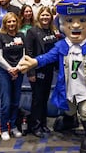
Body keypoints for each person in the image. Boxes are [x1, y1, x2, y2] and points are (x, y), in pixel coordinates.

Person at [17, 0, 86, 153]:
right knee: (69, 107)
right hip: (67, 86)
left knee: (85, 111)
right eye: (70, 21)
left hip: (85, 87)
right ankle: (70, 120)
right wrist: (34, 62)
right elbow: (48, 57)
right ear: (62, 24)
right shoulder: (61, 45)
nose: (75, 25)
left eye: (82, 20)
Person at [24, 7, 60, 137]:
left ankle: (43, 123)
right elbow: (29, 53)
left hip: (49, 69)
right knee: (37, 98)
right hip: (37, 70)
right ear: (39, 16)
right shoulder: (32, 31)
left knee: (44, 98)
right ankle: (35, 126)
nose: (45, 18)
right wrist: (31, 72)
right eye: (43, 15)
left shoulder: (52, 31)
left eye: (47, 16)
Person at [0, 12, 27, 140]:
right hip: (4, 72)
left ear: (17, 22)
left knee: (15, 101)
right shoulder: (0, 36)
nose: (11, 24)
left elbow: (24, 54)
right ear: (5, 24)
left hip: (17, 72)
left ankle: (13, 126)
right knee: (6, 102)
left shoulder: (21, 35)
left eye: (13, 21)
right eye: (9, 22)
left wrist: (17, 69)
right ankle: (4, 128)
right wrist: (10, 69)